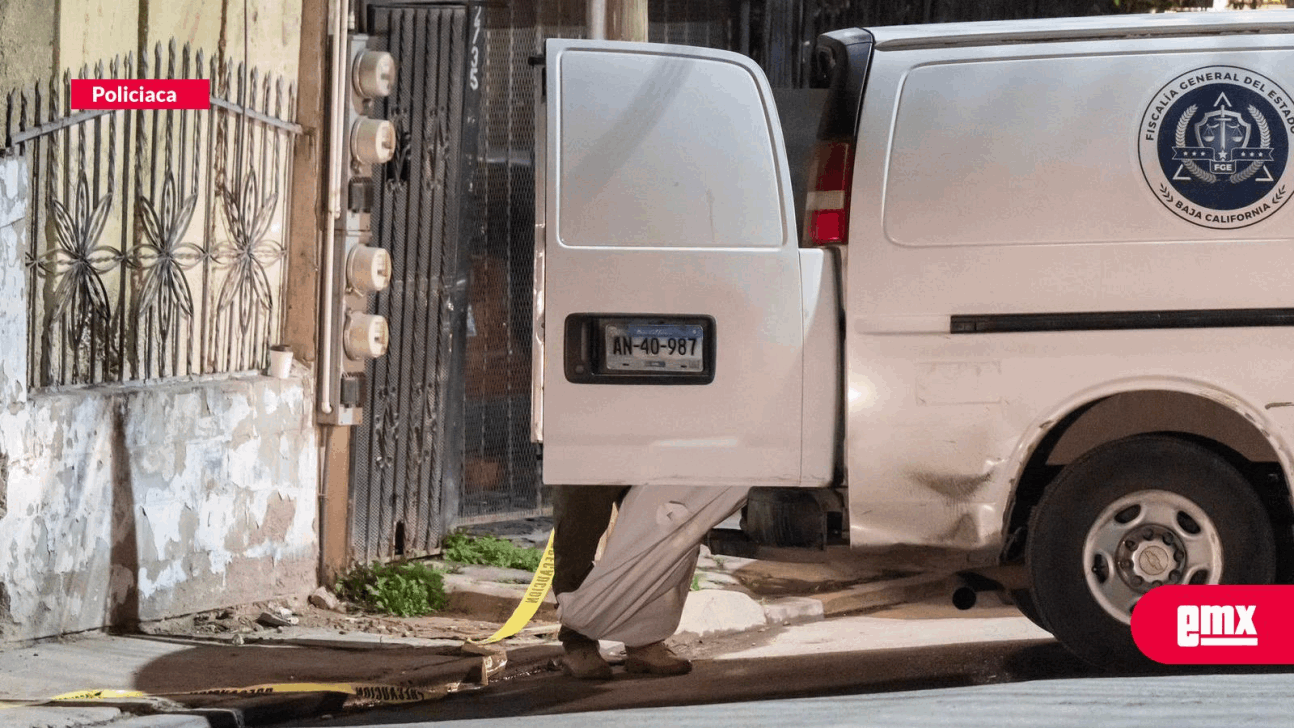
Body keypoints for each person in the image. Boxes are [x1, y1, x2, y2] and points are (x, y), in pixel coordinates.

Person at [551, 484, 750, 679]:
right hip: (588, 454)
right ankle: (578, 642)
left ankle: (644, 641)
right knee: (578, 532)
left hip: (645, 452)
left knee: (655, 528)